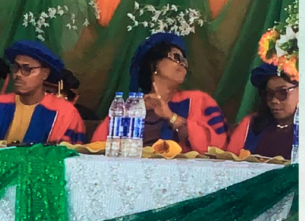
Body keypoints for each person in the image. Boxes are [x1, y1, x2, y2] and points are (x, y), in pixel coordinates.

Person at [91, 32, 228, 153]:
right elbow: (98, 145)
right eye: (176, 57)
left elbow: (216, 148)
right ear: (154, 65)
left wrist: (171, 116)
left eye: (184, 61)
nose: (182, 64)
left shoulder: (198, 101)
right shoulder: (130, 108)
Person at [0, 40, 87, 144]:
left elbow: (69, 152)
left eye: (27, 69)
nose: (18, 74)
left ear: (45, 73)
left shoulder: (65, 113)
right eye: (16, 67)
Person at [226, 63, 299, 158]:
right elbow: (229, 160)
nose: (274, 100)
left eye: (282, 92)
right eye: (269, 94)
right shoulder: (251, 125)